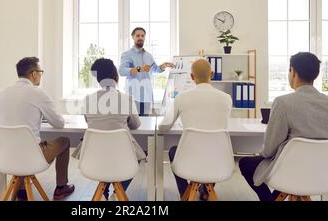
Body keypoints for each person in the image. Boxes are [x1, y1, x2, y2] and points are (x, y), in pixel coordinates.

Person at [239, 52, 328, 201]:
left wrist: (262, 154)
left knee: (246, 164)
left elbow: (269, 149)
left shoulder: (283, 103)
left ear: (293, 71)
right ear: (316, 74)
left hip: (290, 172)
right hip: (324, 172)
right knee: (285, 166)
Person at [0, 57, 75, 200]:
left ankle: (21, 190)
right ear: (33, 74)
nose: (41, 75)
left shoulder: (1, 93)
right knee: (64, 141)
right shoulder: (38, 93)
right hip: (32, 157)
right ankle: (61, 187)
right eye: (40, 72)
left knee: (19, 144)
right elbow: (59, 123)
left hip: (3, 157)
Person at [158, 59, 232, 200]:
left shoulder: (182, 97)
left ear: (191, 77)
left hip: (188, 161)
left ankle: (185, 192)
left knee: (174, 150)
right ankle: (205, 191)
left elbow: (163, 127)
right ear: (212, 74)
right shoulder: (226, 98)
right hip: (218, 161)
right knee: (215, 148)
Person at [73, 58, 146, 200]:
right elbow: (136, 125)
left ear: (98, 79)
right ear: (116, 76)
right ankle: (117, 192)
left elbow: (88, 121)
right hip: (121, 156)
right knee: (137, 154)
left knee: (105, 155)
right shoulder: (126, 99)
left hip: (94, 156)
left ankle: (104, 190)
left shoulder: (88, 99)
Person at [119, 27, 175, 116]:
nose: (140, 37)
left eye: (142, 36)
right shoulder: (127, 54)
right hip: (133, 96)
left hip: (146, 96)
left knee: (145, 125)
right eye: (138, 35)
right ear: (133, 37)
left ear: (144, 38)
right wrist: (139, 69)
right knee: (133, 126)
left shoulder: (148, 55)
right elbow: (122, 71)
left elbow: (155, 69)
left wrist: (163, 66)